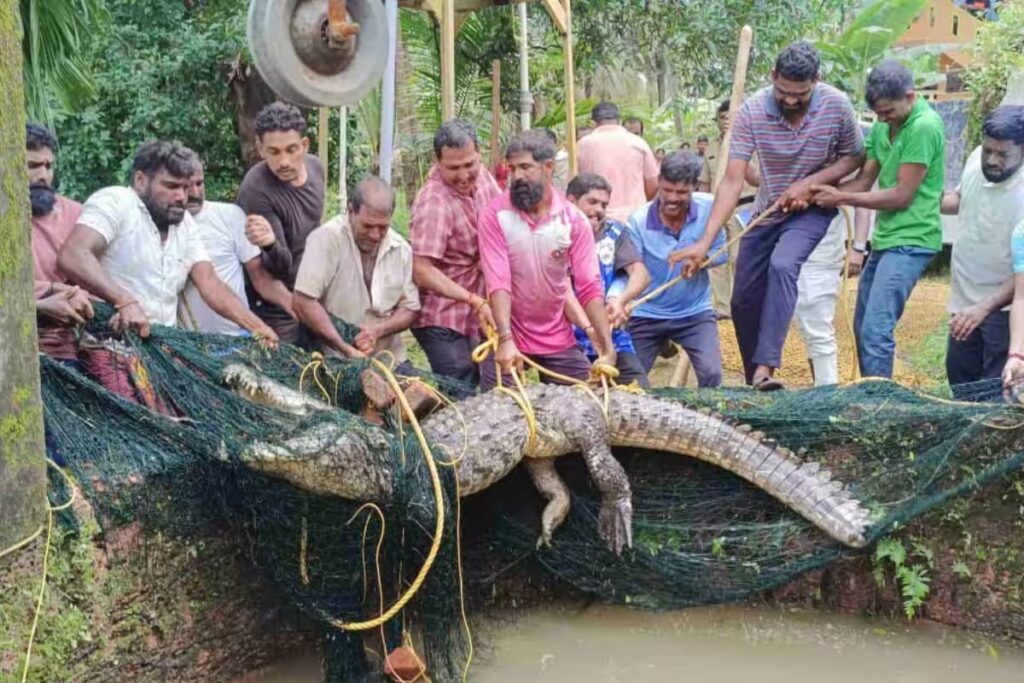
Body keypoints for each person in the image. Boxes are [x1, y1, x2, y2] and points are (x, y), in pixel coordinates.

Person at [668, 41, 865, 390]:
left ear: (816, 81)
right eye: (783, 91)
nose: (790, 100)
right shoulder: (752, 111)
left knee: (783, 265)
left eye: (800, 94)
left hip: (814, 211)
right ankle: (756, 384)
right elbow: (731, 180)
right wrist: (705, 240)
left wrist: (811, 184)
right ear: (772, 77)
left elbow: (854, 157)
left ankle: (765, 368)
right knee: (743, 299)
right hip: (768, 211)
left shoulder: (837, 105)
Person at [58, 141, 276, 343]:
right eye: (171, 186)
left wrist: (256, 326)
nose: (182, 196)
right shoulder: (116, 201)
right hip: (106, 344)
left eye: (184, 187)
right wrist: (124, 301)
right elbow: (74, 255)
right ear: (141, 181)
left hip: (160, 348)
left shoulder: (185, 223)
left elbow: (210, 282)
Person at [812, 60, 945, 380]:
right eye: (878, 113)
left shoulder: (924, 126)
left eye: (888, 111)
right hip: (886, 238)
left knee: (875, 331)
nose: (883, 119)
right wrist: (819, 191)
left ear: (910, 97)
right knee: (861, 327)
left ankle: (880, 408)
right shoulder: (884, 126)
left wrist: (840, 198)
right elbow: (863, 180)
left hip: (913, 239)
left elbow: (901, 195)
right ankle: (872, 392)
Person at [478, 130, 616, 388]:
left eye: (525, 167)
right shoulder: (494, 215)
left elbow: (589, 286)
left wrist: (606, 346)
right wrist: (506, 339)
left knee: (588, 402)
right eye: (512, 168)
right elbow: (498, 282)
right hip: (508, 332)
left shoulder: (573, 220)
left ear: (548, 167)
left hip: (555, 335)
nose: (517, 176)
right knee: (499, 408)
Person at [293, 177, 420, 371]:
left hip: (389, 359)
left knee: (420, 398)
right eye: (368, 226)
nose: (375, 235)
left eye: (383, 227)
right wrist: (344, 348)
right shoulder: (326, 239)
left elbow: (410, 309)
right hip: (333, 359)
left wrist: (377, 331)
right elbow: (303, 302)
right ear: (350, 211)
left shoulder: (401, 249)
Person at [409, 119, 501, 385]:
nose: (463, 175)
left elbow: (500, 218)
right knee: (459, 391)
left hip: (479, 313)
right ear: (438, 162)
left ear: (479, 155)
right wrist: (472, 299)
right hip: (442, 317)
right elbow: (421, 269)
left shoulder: (483, 177)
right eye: (453, 168)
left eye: (469, 165)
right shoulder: (434, 203)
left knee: (491, 387)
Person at [625, 151, 726, 387]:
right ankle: (661, 343)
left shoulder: (711, 208)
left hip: (694, 312)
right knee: (631, 385)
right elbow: (632, 269)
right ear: (658, 183)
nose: (672, 198)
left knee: (712, 375)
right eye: (667, 190)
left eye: (681, 192)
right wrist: (622, 301)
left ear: (694, 187)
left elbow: (723, 254)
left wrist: (703, 261)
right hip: (646, 314)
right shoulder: (638, 221)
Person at [944, 106, 1024, 398]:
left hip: (1004, 311)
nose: (992, 160)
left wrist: (984, 308)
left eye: (1003, 155)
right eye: (989, 150)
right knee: (961, 383)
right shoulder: (976, 159)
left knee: (995, 394)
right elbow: (960, 200)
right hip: (964, 301)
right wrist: (926, 199)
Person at [238, 102, 326, 344]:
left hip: (313, 287)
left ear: (305, 145)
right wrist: (269, 244)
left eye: (291, 149)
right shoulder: (256, 189)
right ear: (260, 149)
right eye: (274, 152)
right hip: (276, 301)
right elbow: (278, 266)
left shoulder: (316, 168)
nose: (284, 161)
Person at [179, 159, 294, 335]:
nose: (195, 192)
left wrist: (295, 306)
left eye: (199, 183)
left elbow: (261, 278)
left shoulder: (229, 216)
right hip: (187, 343)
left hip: (237, 337)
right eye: (186, 186)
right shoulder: (166, 227)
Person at [564, 173, 651, 386]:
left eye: (604, 204)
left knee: (642, 392)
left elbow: (640, 273)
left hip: (613, 338)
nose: (599, 210)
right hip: (567, 342)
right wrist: (590, 329)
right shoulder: (556, 233)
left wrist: (621, 300)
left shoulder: (614, 231)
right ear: (571, 201)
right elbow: (562, 291)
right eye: (592, 202)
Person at [26, 123, 93, 360]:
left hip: (67, 353)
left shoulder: (76, 214)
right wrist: (48, 293)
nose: (43, 176)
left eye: (48, 166)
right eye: (32, 165)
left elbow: (94, 278)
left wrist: (76, 297)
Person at [700, 98, 760, 319]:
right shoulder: (711, 148)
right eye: (722, 118)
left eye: (730, 117)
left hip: (744, 207)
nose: (726, 121)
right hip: (716, 208)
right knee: (716, 258)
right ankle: (723, 306)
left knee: (738, 256)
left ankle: (743, 303)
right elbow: (705, 180)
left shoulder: (752, 141)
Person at [577, 101, 659, 222]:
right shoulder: (638, 143)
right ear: (619, 121)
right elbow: (653, 184)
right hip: (635, 218)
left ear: (593, 123)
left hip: (598, 218)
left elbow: (574, 185)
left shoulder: (582, 145)